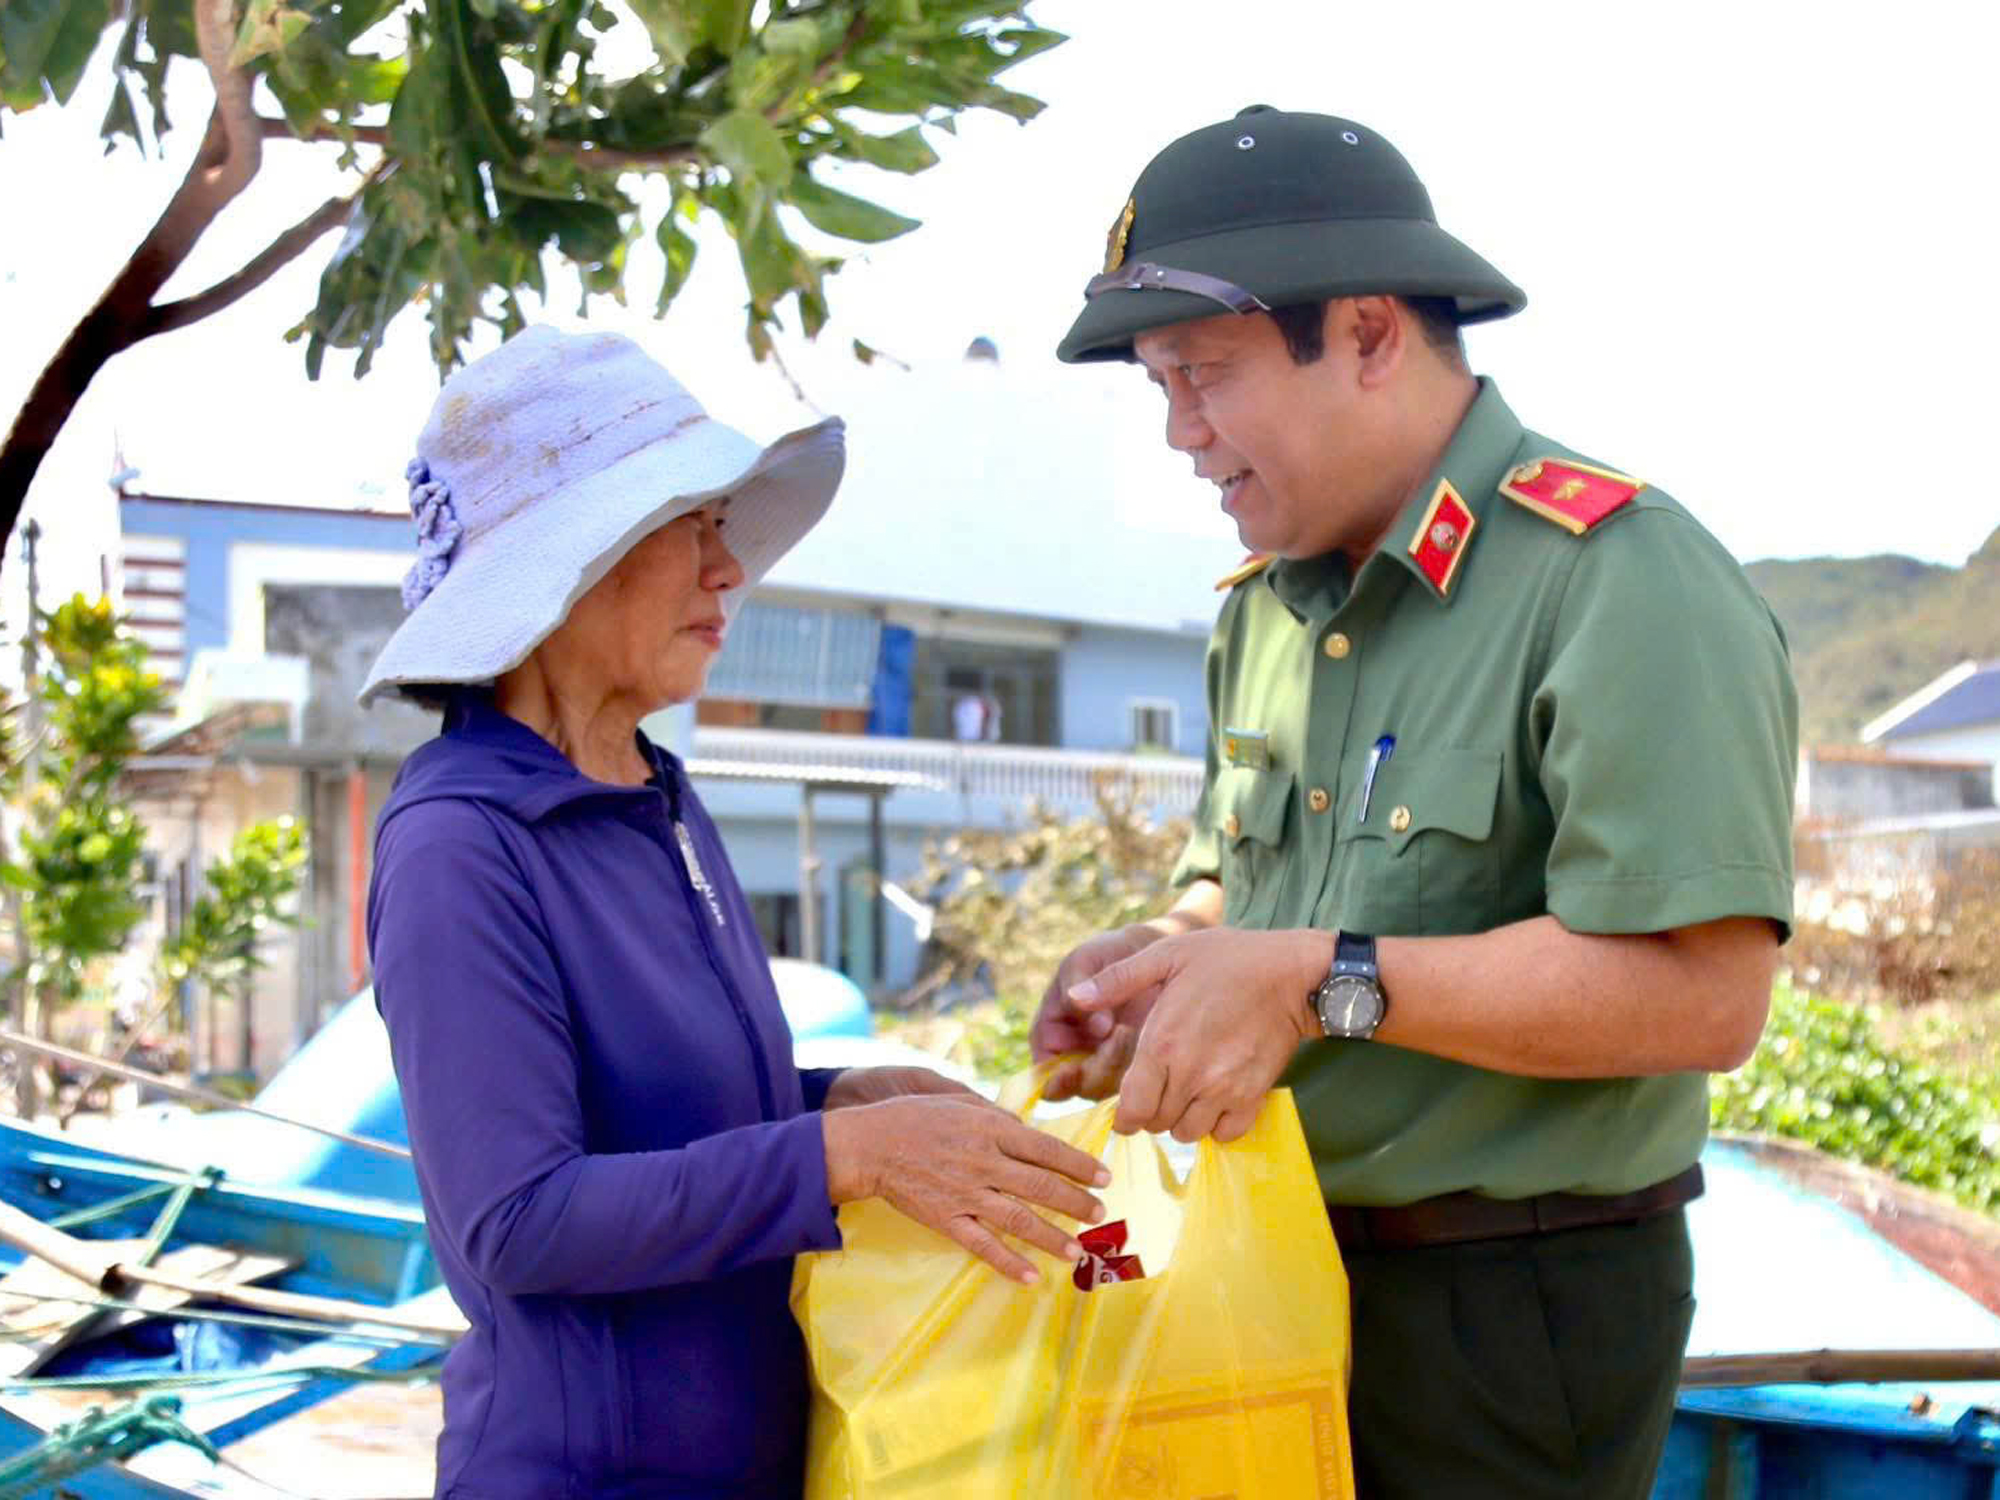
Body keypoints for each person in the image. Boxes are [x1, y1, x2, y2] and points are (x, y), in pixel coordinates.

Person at [1033, 107, 1797, 1499]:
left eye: (1202, 375)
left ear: (1371, 336)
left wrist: (1311, 986)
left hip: (1506, 1309)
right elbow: (1237, 893)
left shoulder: (1616, 579)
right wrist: (1160, 968)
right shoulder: (1261, 615)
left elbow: (1703, 996)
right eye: (1156, 387)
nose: (1180, 434)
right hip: (1270, 1268)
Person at [360, 327, 1109, 1499]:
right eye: (689, 525)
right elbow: (519, 1216)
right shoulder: (460, 841)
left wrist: (836, 1101)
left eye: (724, 528)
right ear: (573, 558)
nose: (726, 570)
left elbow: (663, 1122)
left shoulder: (654, 792)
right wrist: (843, 1155)